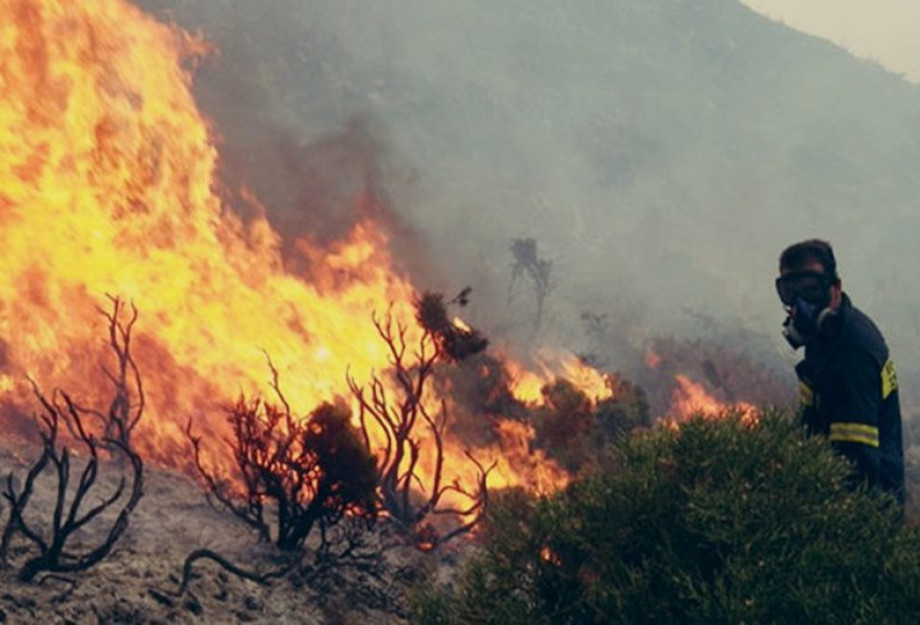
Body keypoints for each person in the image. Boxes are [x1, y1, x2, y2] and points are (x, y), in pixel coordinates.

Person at [775, 239, 904, 505]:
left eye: (810, 289)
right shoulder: (825, 339)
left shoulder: (852, 353)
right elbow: (810, 425)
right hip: (831, 493)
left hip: (866, 514)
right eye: (790, 291)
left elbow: (856, 467)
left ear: (835, 288)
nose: (800, 303)